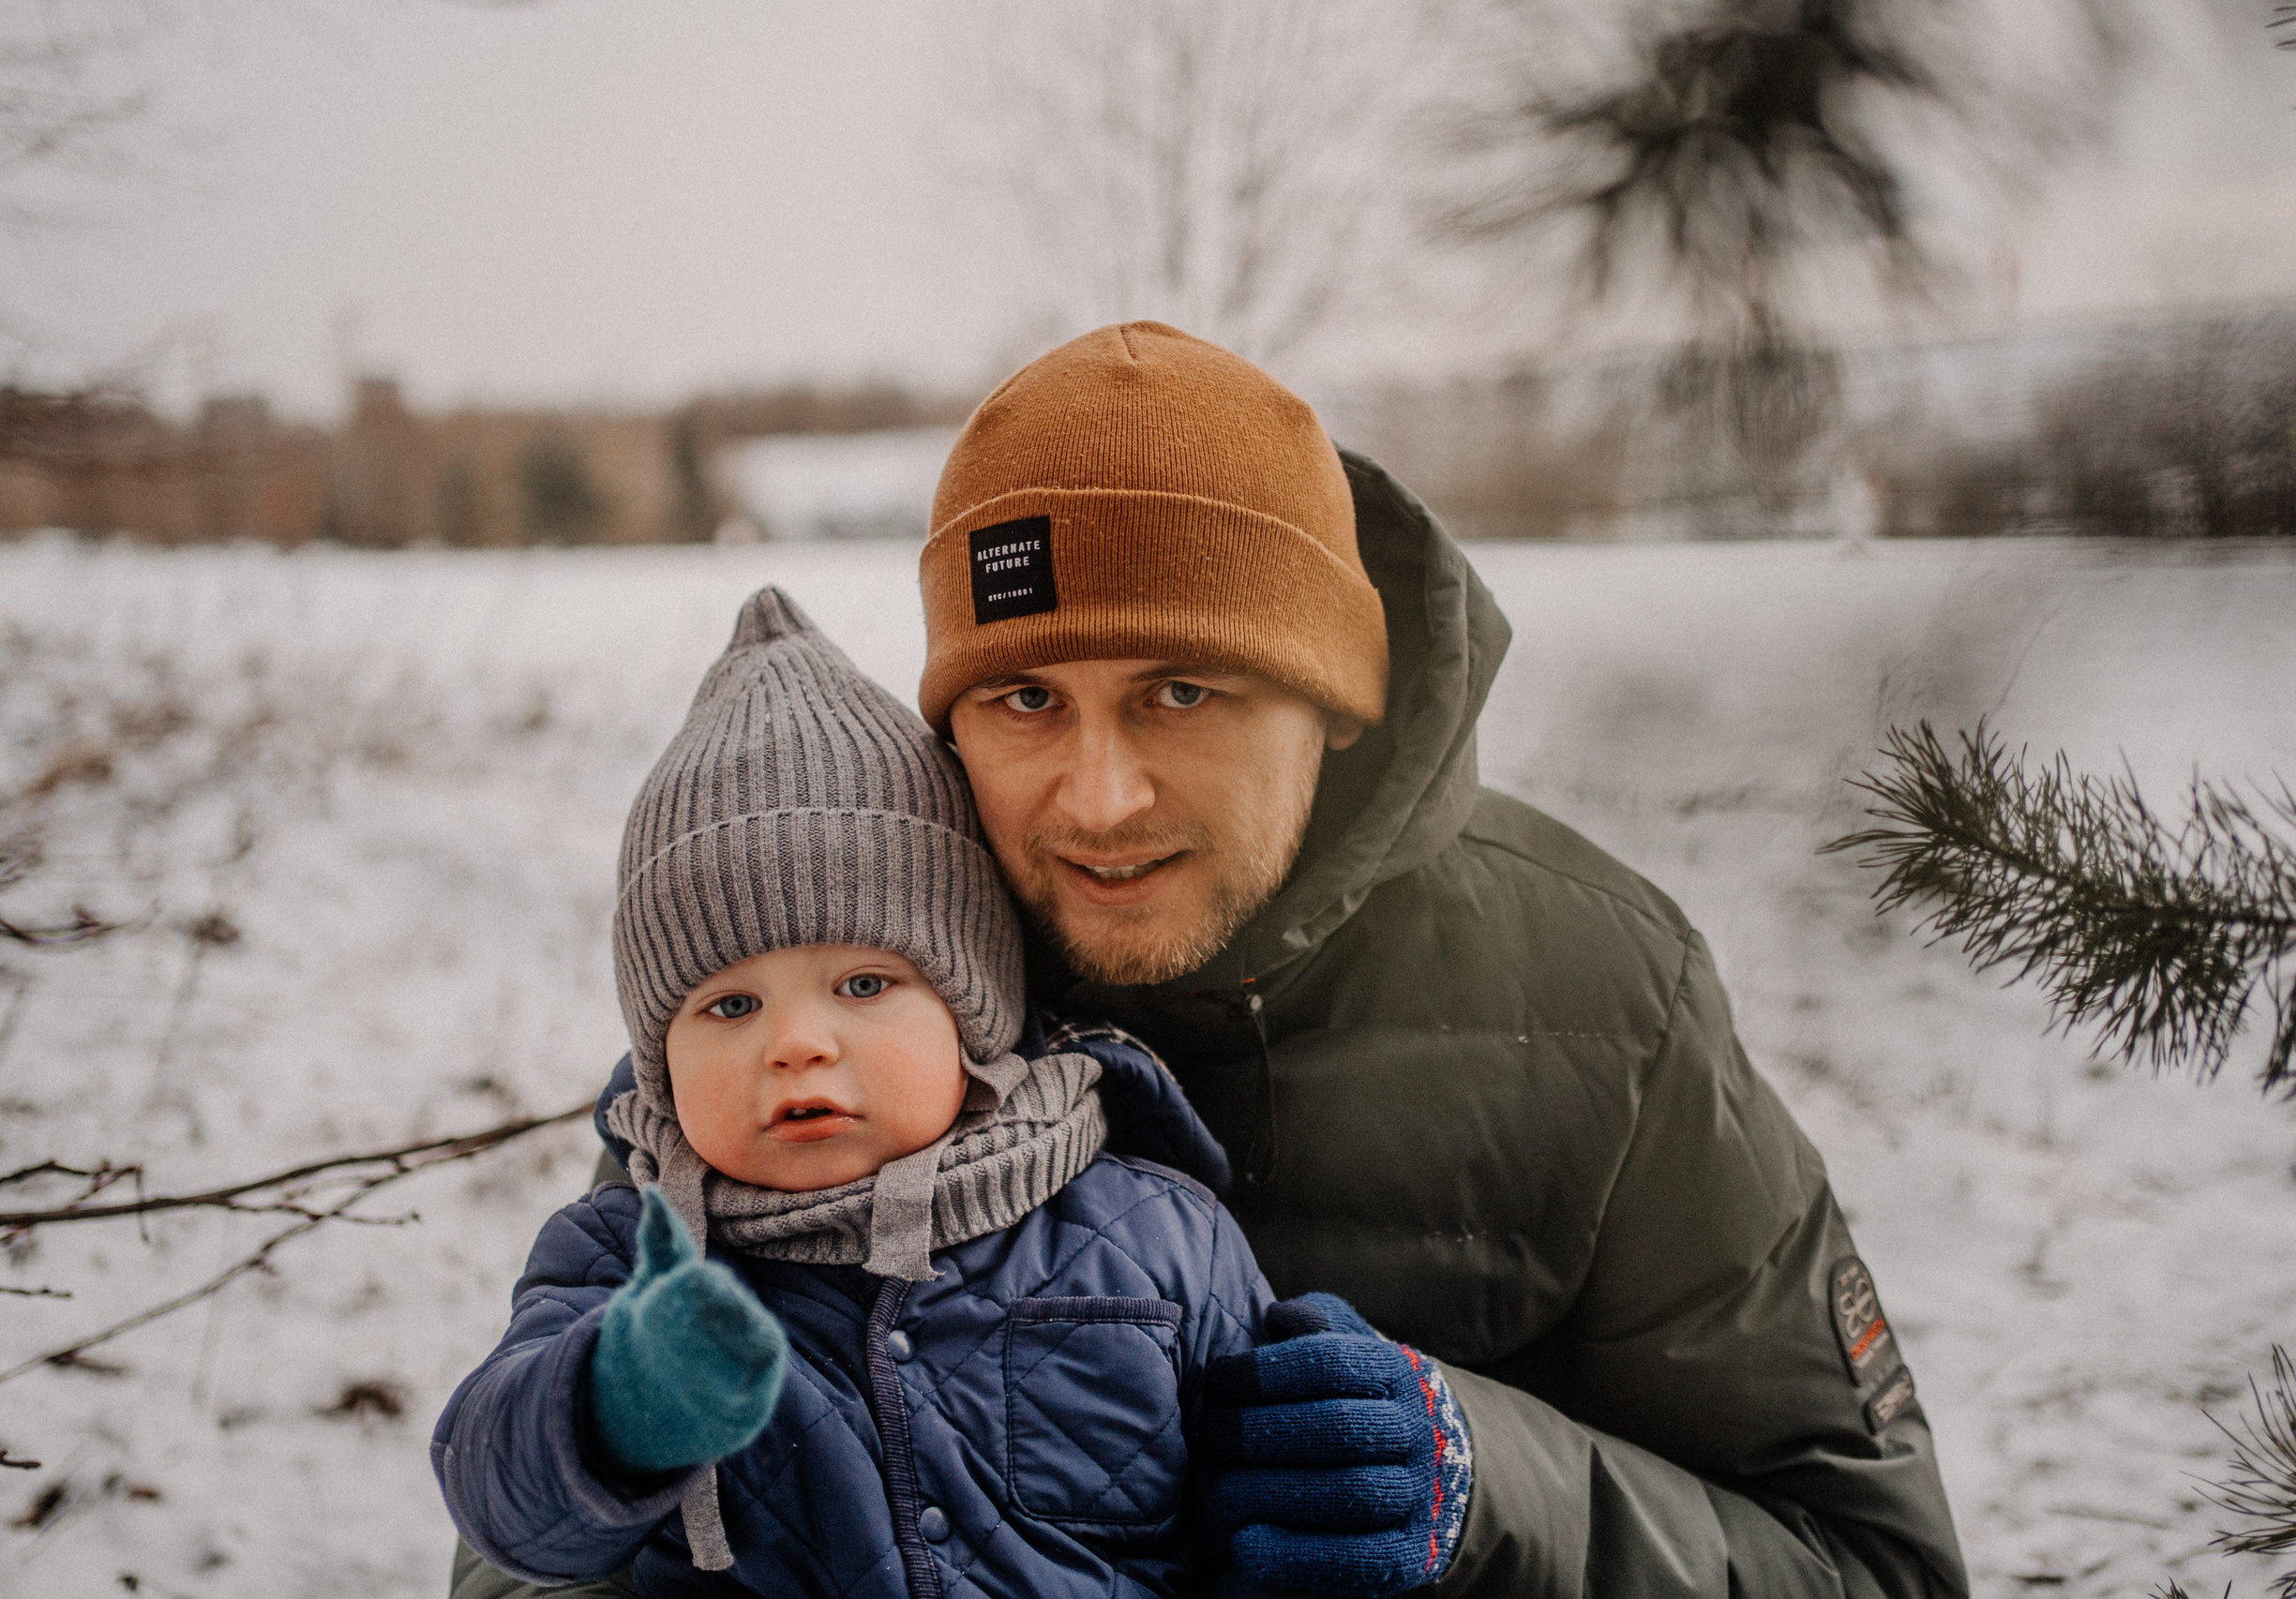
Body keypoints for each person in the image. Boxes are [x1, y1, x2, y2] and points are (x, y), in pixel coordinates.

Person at [452, 322, 1968, 1598]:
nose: (1097, 802)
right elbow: (525, 1546)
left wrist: (1476, 1481)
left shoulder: (1601, 991)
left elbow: (1865, 1559)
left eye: (1184, 689)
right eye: (1026, 698)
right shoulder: (849, 976)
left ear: (1336, 701)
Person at [436, 588, 1475, 1594]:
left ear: (973, 1012)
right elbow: (500, 1503)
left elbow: (1265, 1525)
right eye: (728, 1006)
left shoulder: (1155, 1232)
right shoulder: (628, 1255)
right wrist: (610, 1408)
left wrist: (1365, 1489)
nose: (796, 1043)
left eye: (863, 983)